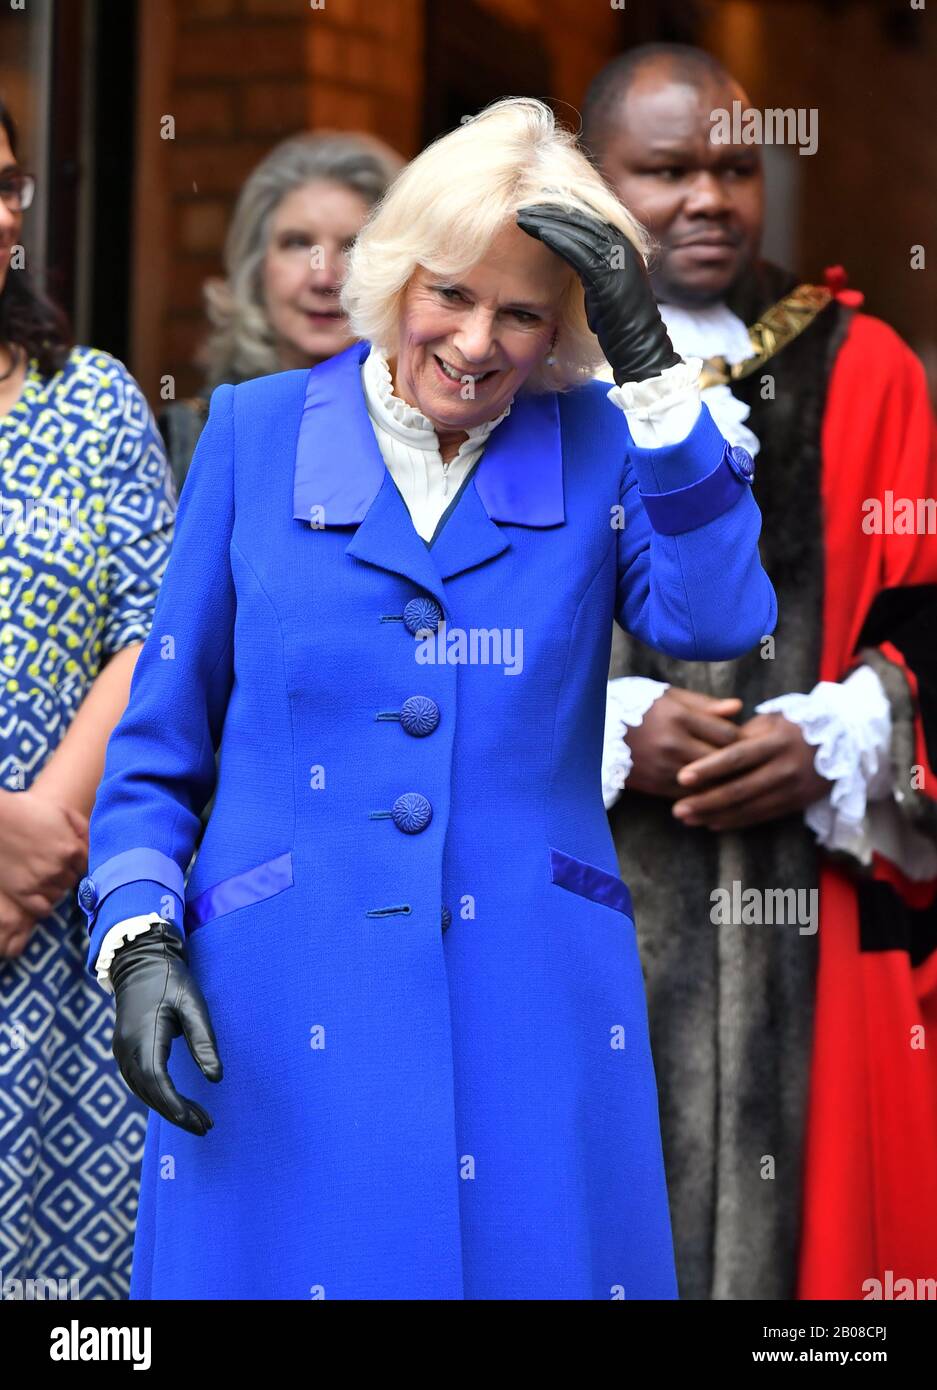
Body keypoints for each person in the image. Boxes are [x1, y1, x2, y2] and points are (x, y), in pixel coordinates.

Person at [77, 96, 775, 1300]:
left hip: (532, 1004)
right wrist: (137, 936)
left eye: (523, 312)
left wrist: (653, 369)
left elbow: (717, 616)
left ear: (564, 329)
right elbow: (159, 741)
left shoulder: (607, 445)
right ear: (395, 274)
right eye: (450, 293)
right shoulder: (251, 432)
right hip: (277, 996)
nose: (475, 339)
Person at [582, 43, 937, 1300]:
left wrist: (845, 729)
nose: (709, 200)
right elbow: (427, 636)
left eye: (734, 167)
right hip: (570, 901)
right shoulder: (518, 363)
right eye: (665, 170)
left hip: (815, 909)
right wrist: (606, 724)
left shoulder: (863, 367)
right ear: (593, 180)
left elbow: (928, 616)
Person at [0, 101, 176, 1298]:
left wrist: (39, 834)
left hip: (55, 934)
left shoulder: (95, 397)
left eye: (5, 184)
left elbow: (153, 632)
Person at [159, 132, 402, 493]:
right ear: (256, 268)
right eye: (298, 243)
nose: (324, 277)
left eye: (353, 245)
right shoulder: (194, 437)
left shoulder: (438, 436)